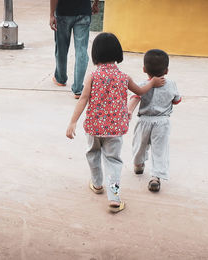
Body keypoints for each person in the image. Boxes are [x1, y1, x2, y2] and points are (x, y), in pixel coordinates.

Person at [66, 33, 165, 213]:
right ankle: (114, 197)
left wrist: (73, 122)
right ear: (118, 53)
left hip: (94, 128)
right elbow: (141, 91)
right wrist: (153, 83)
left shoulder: (92, 76)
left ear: (95, 54)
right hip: (115, 130)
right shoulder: (124, 77)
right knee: (113, 161)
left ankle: (96, 184)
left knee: (93, 154)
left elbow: (83, 99)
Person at [127, 49, 182, 192]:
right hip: (162, 122)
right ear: (167, 70)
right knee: (160, 150)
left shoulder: (142, 85)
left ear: (144, 69)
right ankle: (155, 177)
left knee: (139, 144)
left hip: (144, 121)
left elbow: (135, 98)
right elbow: (177, 100)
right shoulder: (172, 84)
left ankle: (138, 164)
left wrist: (129, 111)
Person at [49, 0, 100, 99]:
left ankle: (60, 78)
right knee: (81, 50)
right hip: (83, 12)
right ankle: (78, 89)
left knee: (61, 48)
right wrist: (96, 3)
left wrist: (51, 14)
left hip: (63, 12)